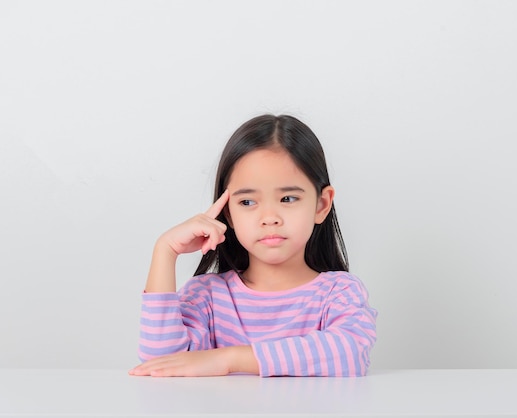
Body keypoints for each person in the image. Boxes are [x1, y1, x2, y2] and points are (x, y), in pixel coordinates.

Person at [129, 114, 377, 377]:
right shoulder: (207, 297)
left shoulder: (339, 293)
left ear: (321, 205)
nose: (269, 218)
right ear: (228, 214)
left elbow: (351, 352)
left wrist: (231, 359)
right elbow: (160, 366)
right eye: (247, 202)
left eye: (288, 198)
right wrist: (165, 250)